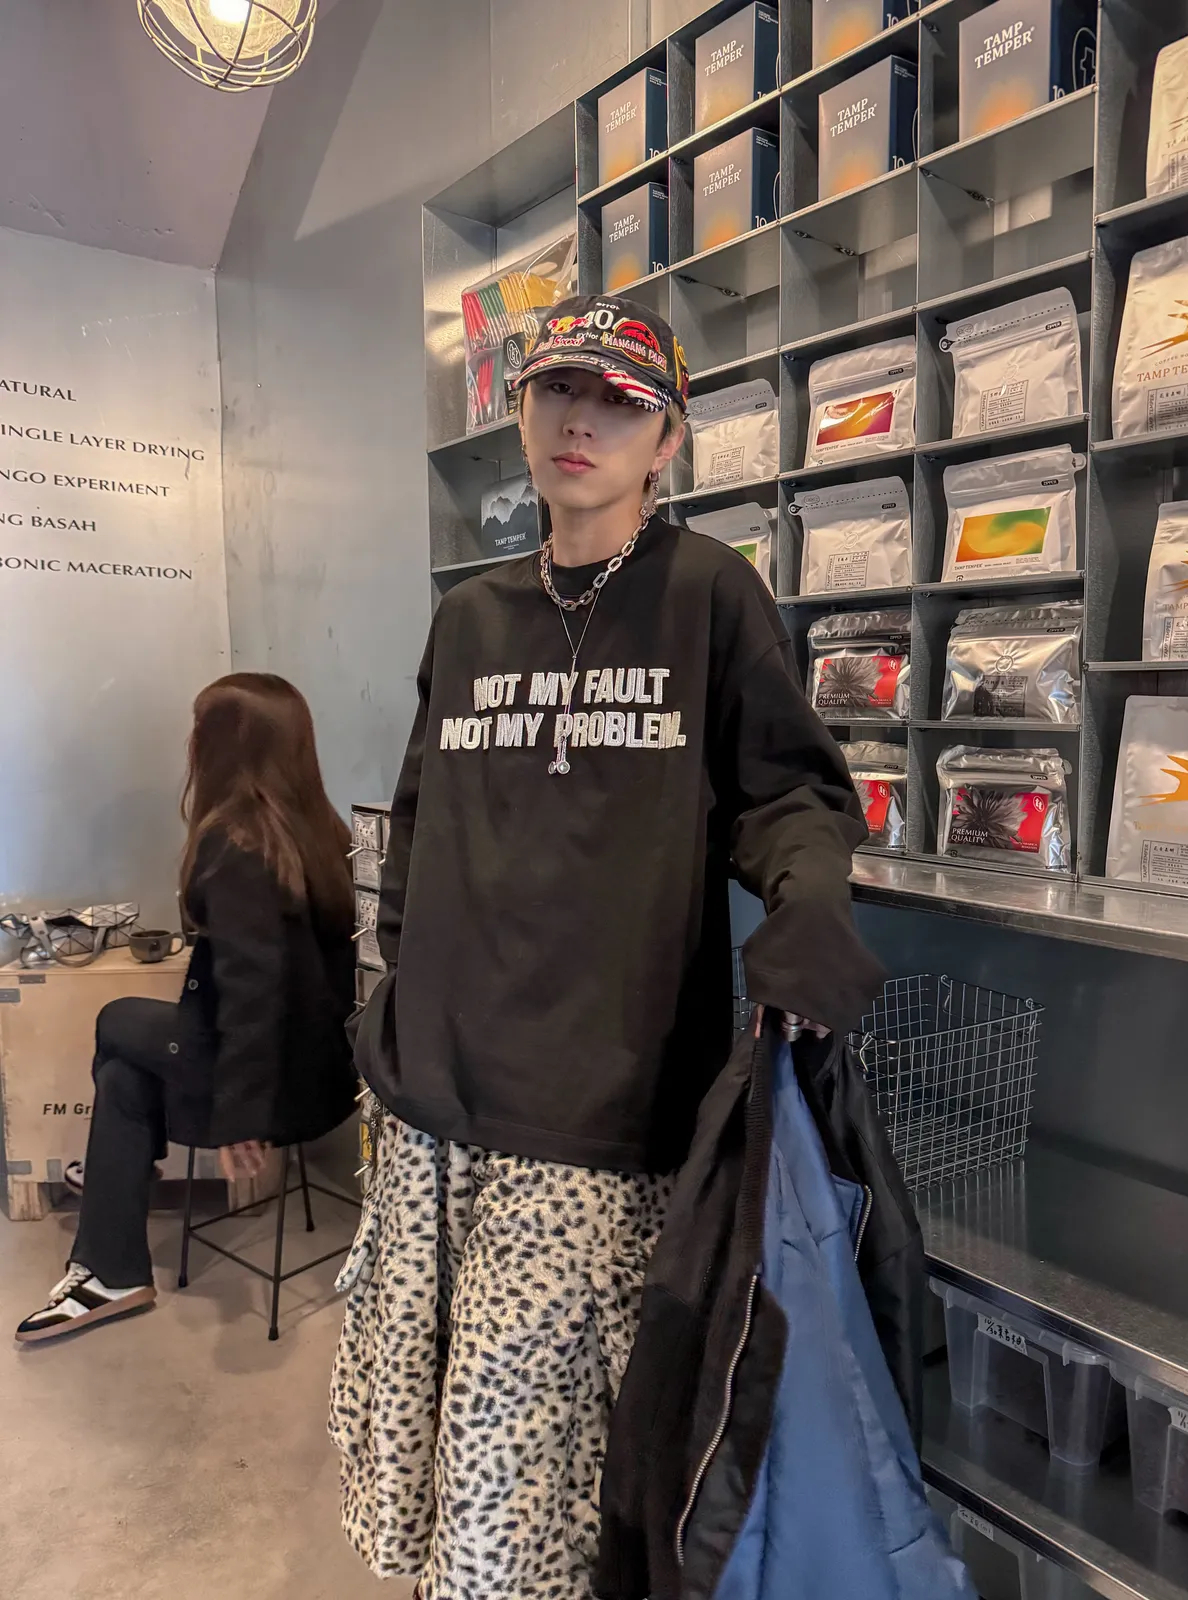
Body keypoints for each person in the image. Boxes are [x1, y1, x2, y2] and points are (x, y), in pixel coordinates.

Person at [330, 297, 885, 1597]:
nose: (580, 421)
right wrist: (391, 1003)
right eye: (556, 391)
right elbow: (419, 821)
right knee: (422, 1434)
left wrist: (808, 910)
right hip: (431, 1098)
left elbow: (790, 796)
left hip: (592, 1106)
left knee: (517, 1475)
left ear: (666, 441)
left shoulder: (707, 594)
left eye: (620, 402)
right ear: (521, 412)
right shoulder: (471, 619)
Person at [17, 673, 358, 1343]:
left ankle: (115, 1238)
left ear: (218, 745)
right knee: (125, 1077)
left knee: (116, 1023)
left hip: (272, 1089)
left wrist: (240, 1121)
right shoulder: (319, 829)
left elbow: (255, 997)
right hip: (323, 1075)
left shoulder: (237, 845)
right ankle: (114, 1262)